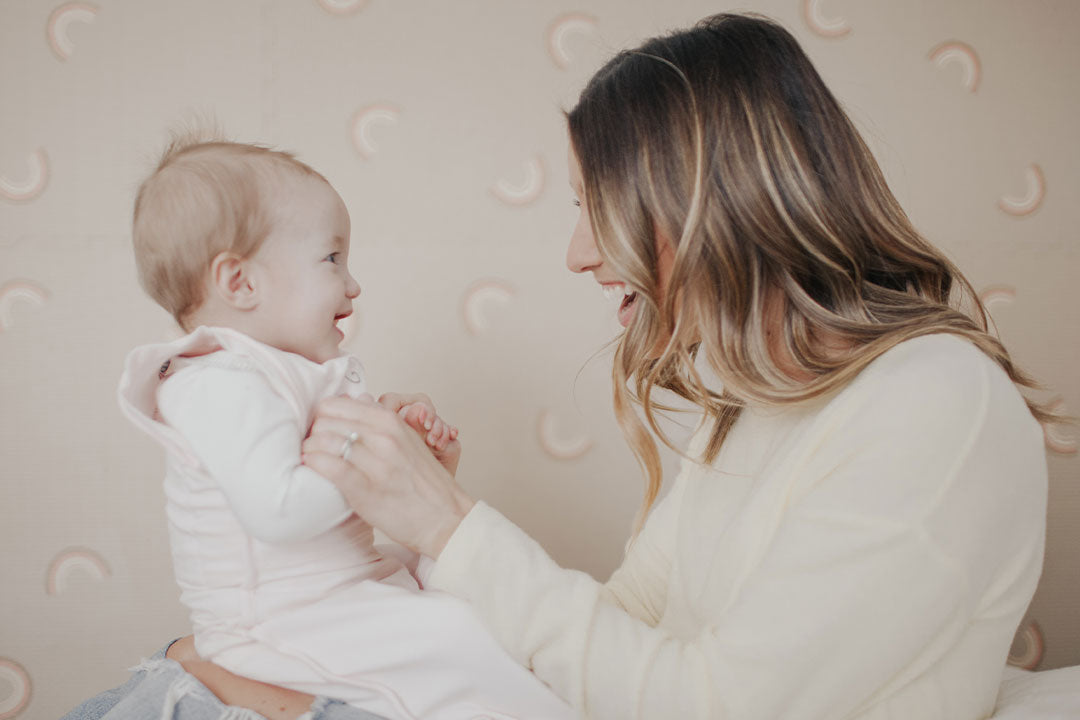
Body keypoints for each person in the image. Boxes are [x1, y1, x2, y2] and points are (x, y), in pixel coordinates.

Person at [66, 12, 1052, 720]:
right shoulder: (755, 408)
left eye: (593, 207)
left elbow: (709, 705)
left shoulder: (933, 405)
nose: (577, 254)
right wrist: (418, 529)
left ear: (701, 202)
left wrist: (446, 529)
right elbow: (607, 646)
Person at [109, 135, 573, 720]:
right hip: (275, 621)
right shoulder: (217, 383)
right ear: (240, 283)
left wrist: (409, 457)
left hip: (337, 591)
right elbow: (278, 511)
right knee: (453, 644)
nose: (352, 285)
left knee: (478, 614)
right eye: (332, 259)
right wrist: (378, 456)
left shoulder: (284, 372)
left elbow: (338, 496)